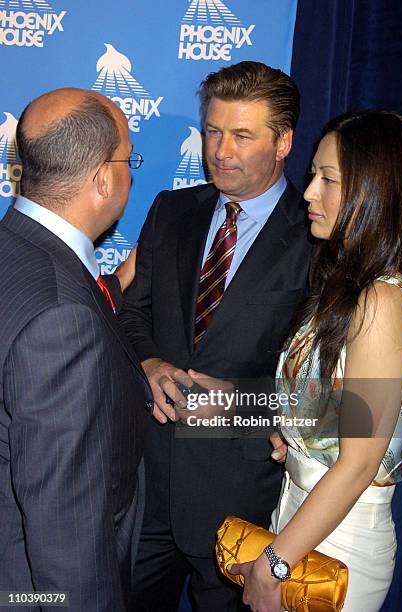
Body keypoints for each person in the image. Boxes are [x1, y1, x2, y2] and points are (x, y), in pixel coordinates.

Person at [119, 61, 313, 610]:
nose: (220, 151)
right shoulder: (171, 210)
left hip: (246, 506)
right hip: (146, 489)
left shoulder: (320, 238)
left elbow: (345, 401)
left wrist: (240, 408)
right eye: (212, 131)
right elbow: (134, 315)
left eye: (242, 135)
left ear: (284, 143)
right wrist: (151, 365)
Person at [228, 110, 402, 611]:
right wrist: (296, 436)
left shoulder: (381, 299)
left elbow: (359, 464)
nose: (309, 192)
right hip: (299, 521)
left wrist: (274, 564)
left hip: (339, 542)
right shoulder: (350, 286)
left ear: (375, 189)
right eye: (314, 175)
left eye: (328, 179)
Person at [0, 88, 152, 611]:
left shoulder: (15, 248)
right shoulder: (64, 319)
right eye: (129, 157)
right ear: (102, 179)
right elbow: (66, 533)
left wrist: (108, 288)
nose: (131, 172)